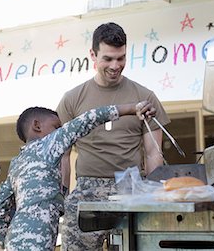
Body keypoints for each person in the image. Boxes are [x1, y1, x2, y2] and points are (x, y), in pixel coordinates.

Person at [56, 22, 170, 250]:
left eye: (121, 58)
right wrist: (63, 196)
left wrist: (155, 196)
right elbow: (63, 155)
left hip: (131, 188)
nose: (115, 65)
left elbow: (153, 153)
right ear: (93, 55)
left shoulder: (145, 97)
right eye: (108, 58)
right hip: (87, 190)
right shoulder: (72, 99)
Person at [0, 101, 156, 251]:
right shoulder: (48, 144)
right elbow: (87, 120)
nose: (60, 131)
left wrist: (5, 237)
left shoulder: (17, 163)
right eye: (56, 127)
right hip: (36, 240)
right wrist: (131, 108)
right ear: (37, 126)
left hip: (15, 239)